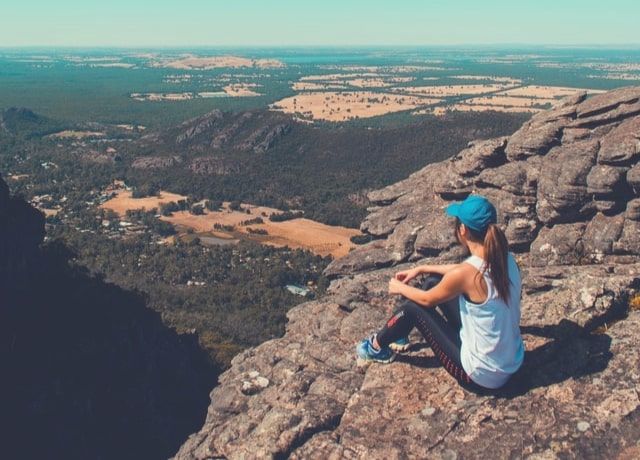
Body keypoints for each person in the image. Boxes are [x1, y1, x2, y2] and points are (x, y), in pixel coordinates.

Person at [356, 194, 524, 393]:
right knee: (432, 281)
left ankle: (375, 347)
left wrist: (399, 287)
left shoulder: (467, 274)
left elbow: (429, 298)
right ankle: (398, 333)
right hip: (509, 363)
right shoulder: (505, 258)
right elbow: (463, 271)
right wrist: (424, 268)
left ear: (463, 230)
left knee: (412, 307)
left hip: (480, 376)